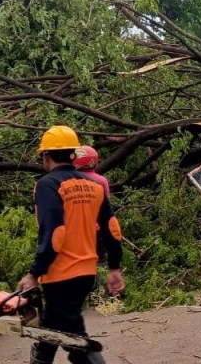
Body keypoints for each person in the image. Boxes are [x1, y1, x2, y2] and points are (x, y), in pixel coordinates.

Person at [17, 125, 125, 364]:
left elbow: (55, 233)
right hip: (86, 271)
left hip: (60, 274)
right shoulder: (93, 186)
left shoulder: (47, 184)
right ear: (73, 154)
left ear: (46, 155)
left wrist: (35, 273)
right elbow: (112, 229)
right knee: (52, 328)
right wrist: (115, 268)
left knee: (76, 339)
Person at [73, 145, 110, 267]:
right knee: (100, 260)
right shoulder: (102, 180)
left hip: (77, 230)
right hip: (98, 229)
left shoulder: (71, 180)